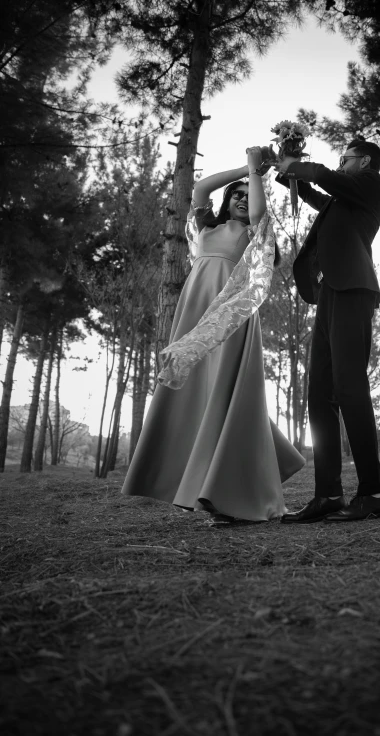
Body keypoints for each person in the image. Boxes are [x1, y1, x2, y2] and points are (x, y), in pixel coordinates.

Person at [122, 147, 305, 523]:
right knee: (199, 397)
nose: (241, 199)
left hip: (229, 321)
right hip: (194, 315)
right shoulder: (205, 228)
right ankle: (205, 484)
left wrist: (257, 175)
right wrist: (243, 167)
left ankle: (227, 495)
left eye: (246, 194)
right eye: (235, 195)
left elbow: (257, 211)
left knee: (229, 394)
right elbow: (201, 188)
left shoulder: (256, 234)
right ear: (227, 201)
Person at [275, 139, 380, 523]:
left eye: (345, 159)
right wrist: (280, 166)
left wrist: (298, 163)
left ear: (364, 161)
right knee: (319, 394)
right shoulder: (341, 199)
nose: (340, 165)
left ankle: (374, 492)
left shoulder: (371, 184)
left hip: (355, 290)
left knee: (349, 388)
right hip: (330, 292)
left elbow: (322, 177)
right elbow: (312, 191)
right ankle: (328, 494)